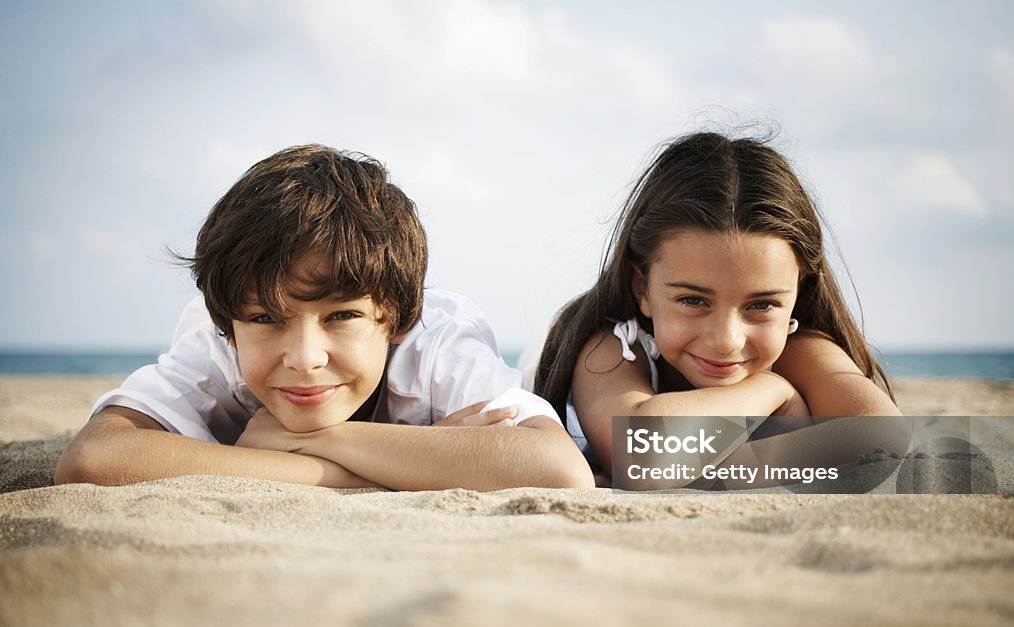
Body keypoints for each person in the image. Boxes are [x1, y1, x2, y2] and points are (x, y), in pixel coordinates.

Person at [57, 144, 593, 491]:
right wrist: (382, 468)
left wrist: (310, 439)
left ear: (398, 319)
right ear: (228, 325)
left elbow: (561, 470)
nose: (305, 358)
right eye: (266, 318)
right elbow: (96, 458)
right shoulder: (215, 341)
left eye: (341, 315)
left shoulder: (438, 342)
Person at [533, 131, 904, 483]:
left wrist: (706, 471)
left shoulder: (799, 346)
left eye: (761, 304)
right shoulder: (610, 345)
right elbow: (643, 456)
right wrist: (774, 390)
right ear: (642, 287)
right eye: (693, 300)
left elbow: (886, 444)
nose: (727, 340)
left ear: (798, 291)